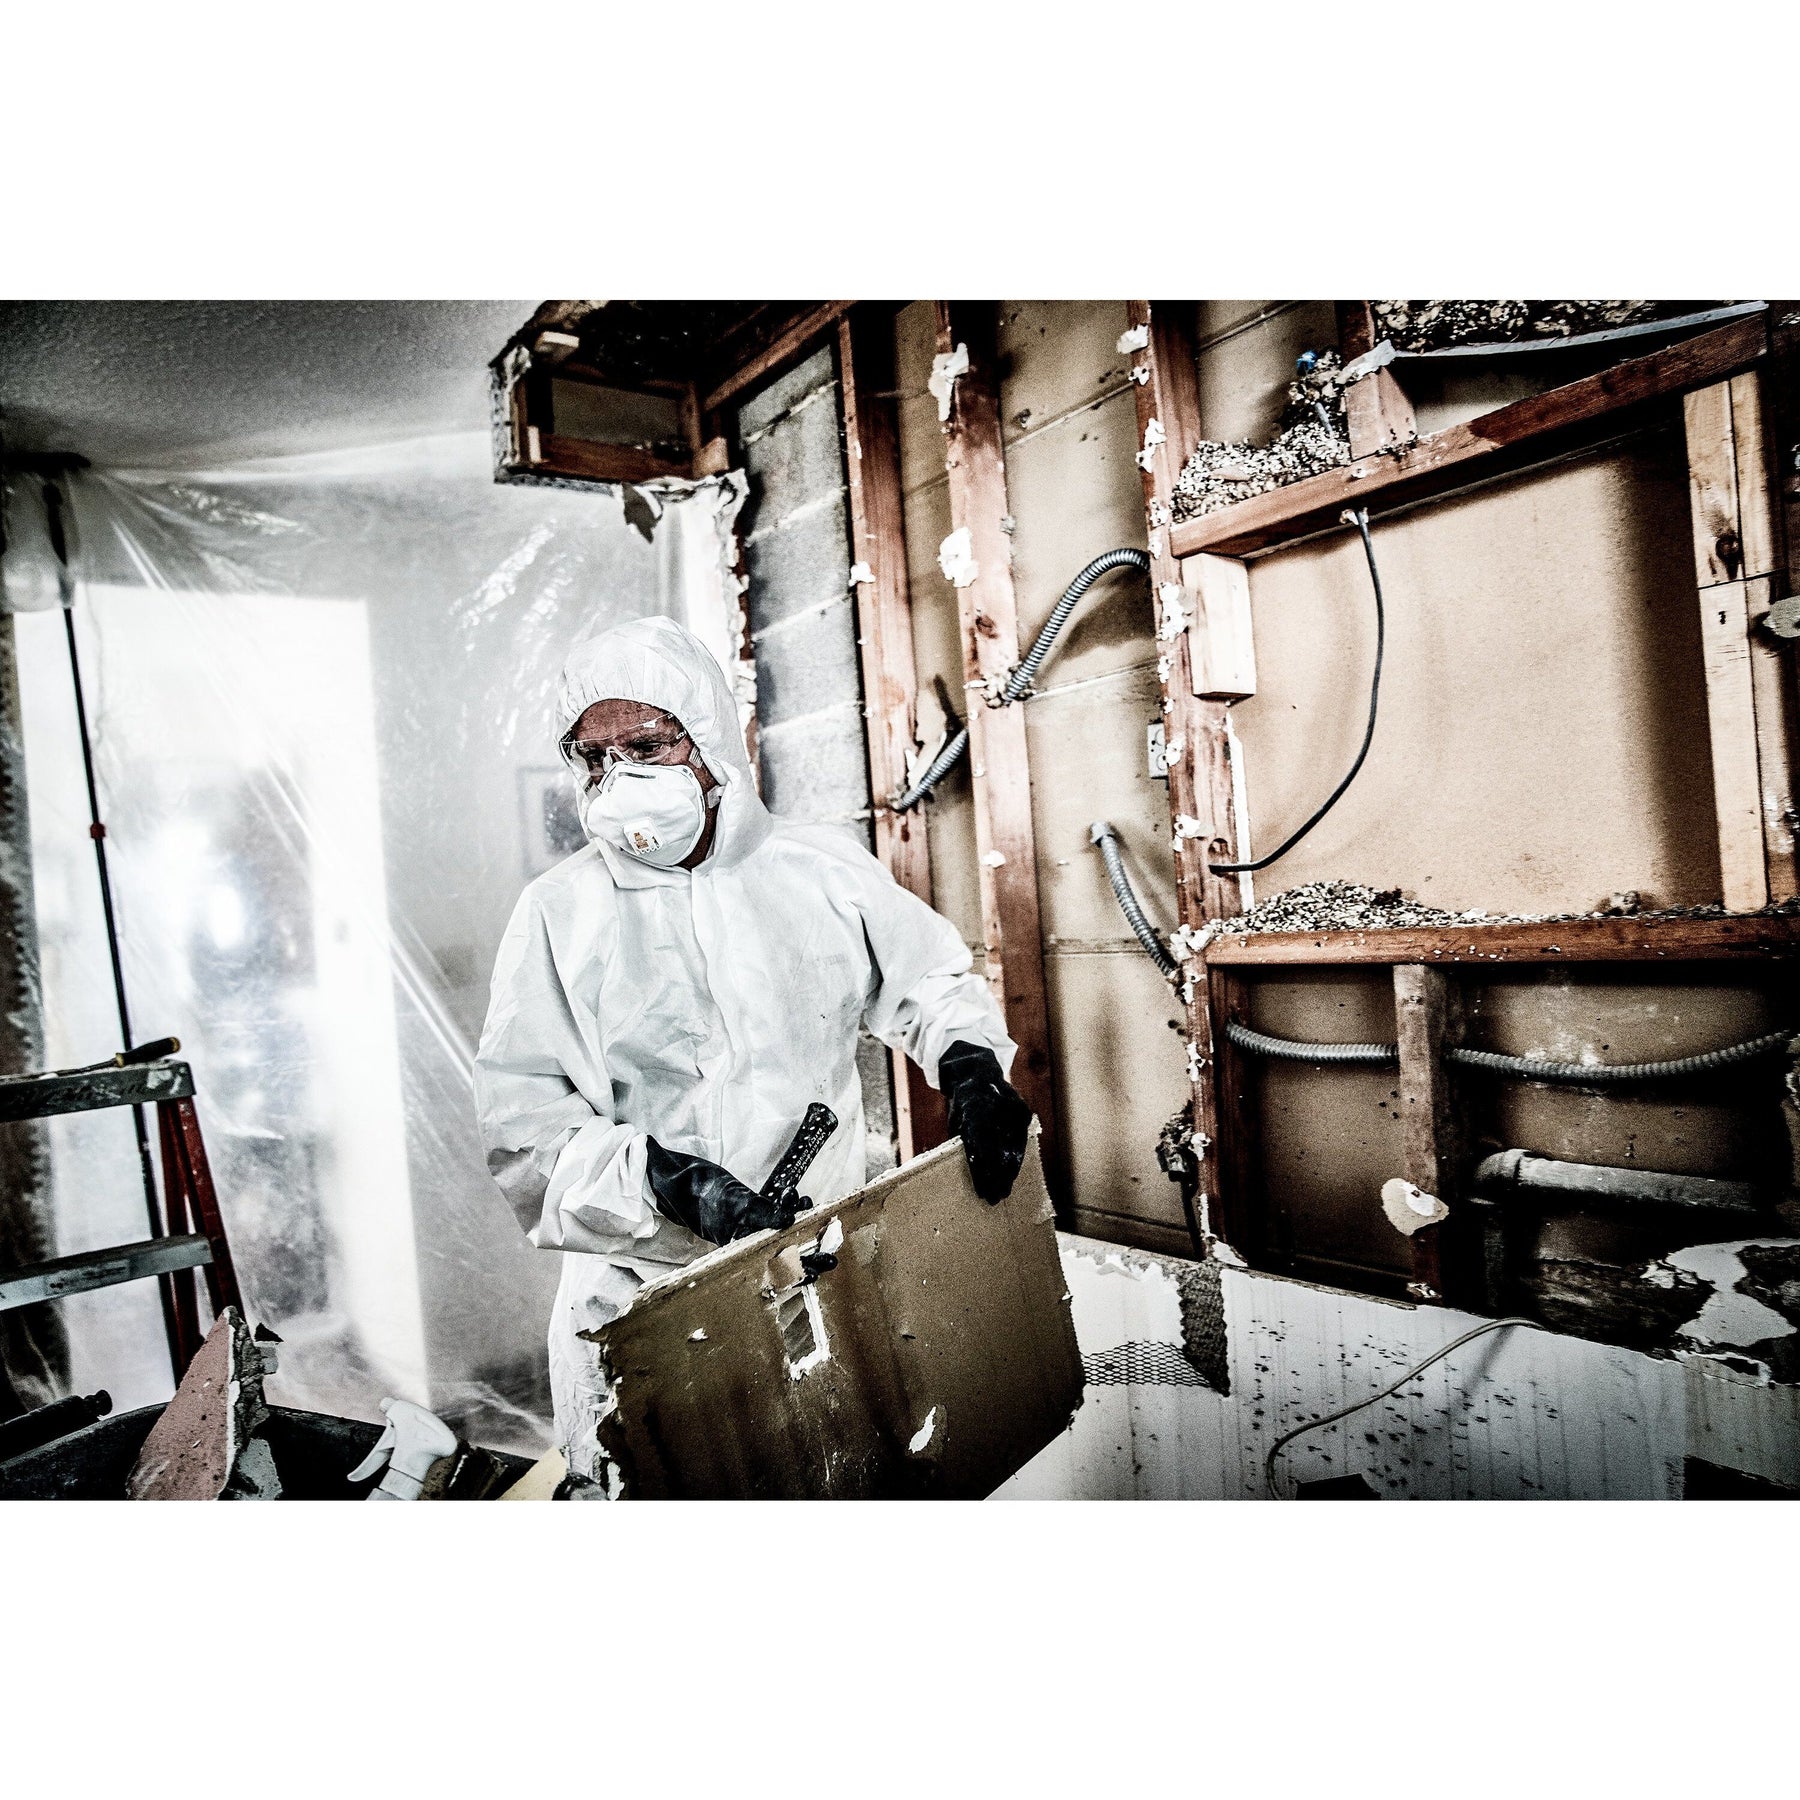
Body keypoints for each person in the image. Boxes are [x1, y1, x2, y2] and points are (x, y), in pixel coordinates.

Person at [473, 616, 1032, 1478]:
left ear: (710, 740)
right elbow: (524, 1124)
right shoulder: (559, 914)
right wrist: (662, 1182)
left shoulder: (820, 872)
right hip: (639, 1291)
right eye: (594, 758)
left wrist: (969, 1064)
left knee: (829, 1480)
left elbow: (929, 984)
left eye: (647, 747)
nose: (620, 780)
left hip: (814, 1267)